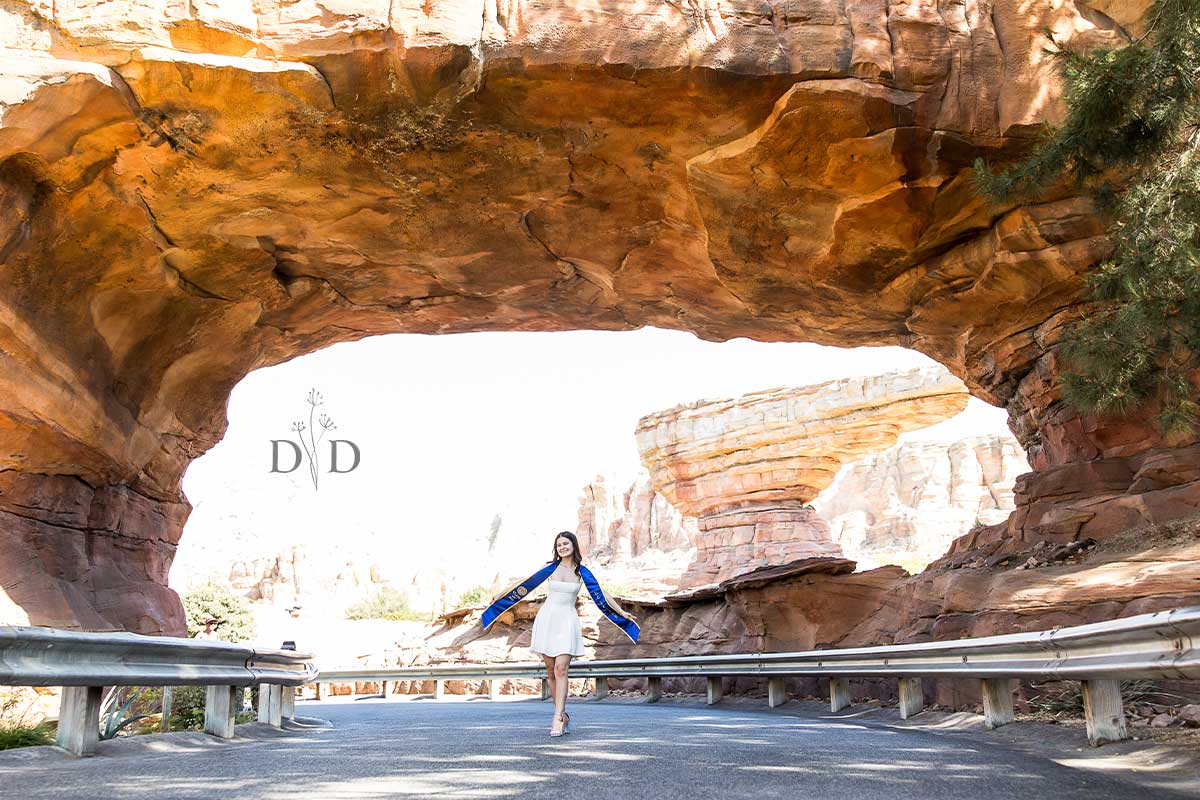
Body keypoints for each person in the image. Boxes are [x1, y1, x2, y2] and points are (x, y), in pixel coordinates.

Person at [480, 531, 640, 737]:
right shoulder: (550, 568)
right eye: (559, 545)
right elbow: (522, 584)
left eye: (566, 543)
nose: (562, 547)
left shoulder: (582, 572)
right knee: (550, 671)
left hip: (567, 622)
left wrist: (621, 611)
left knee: (561, 668)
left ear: (574, 545)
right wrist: (499, 596)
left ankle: (556, 719)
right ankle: (562, 714)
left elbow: (603, 594)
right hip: (547, 620)